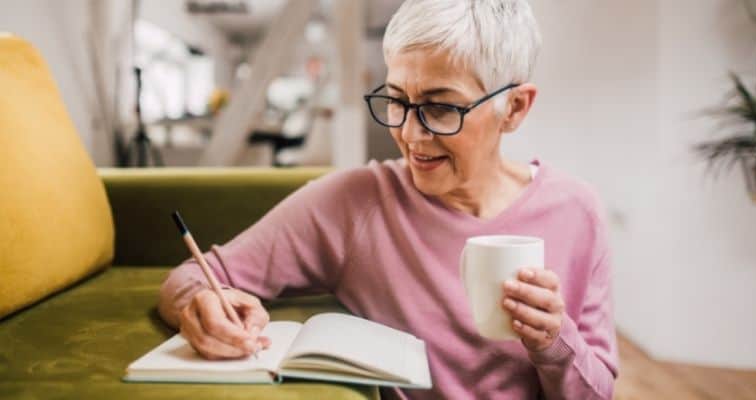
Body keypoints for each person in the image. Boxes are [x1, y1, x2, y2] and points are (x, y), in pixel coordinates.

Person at [158, 0, 618, 398]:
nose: (410, 133)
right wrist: (198, 311)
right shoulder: (352, 203)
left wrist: (555, 342)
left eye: (441, 107)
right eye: (397, 100)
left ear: (514, 108)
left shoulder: (577, 211)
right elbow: (195, 278)